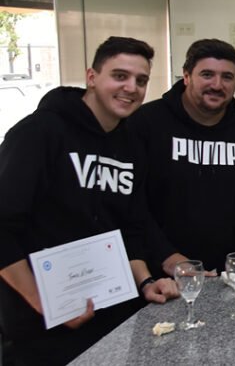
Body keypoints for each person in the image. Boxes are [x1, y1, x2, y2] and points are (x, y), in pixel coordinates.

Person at [0, 37, 179, 365]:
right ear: (92, 77)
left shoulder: (132, 145)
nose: (131, 88)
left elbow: (129, 227)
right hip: (42, 325)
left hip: (111, 314)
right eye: (119, 75)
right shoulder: (39, 132)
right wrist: (44, 303)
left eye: (141, 80)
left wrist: (146, 282)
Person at [130, 39, 235, 278]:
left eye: (227, 77)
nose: (217, 85)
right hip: (161, 276)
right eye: (207, 74)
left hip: (229, 278)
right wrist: (167, 257)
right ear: (186, 76)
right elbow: (133, 206)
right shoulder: (146, 124)